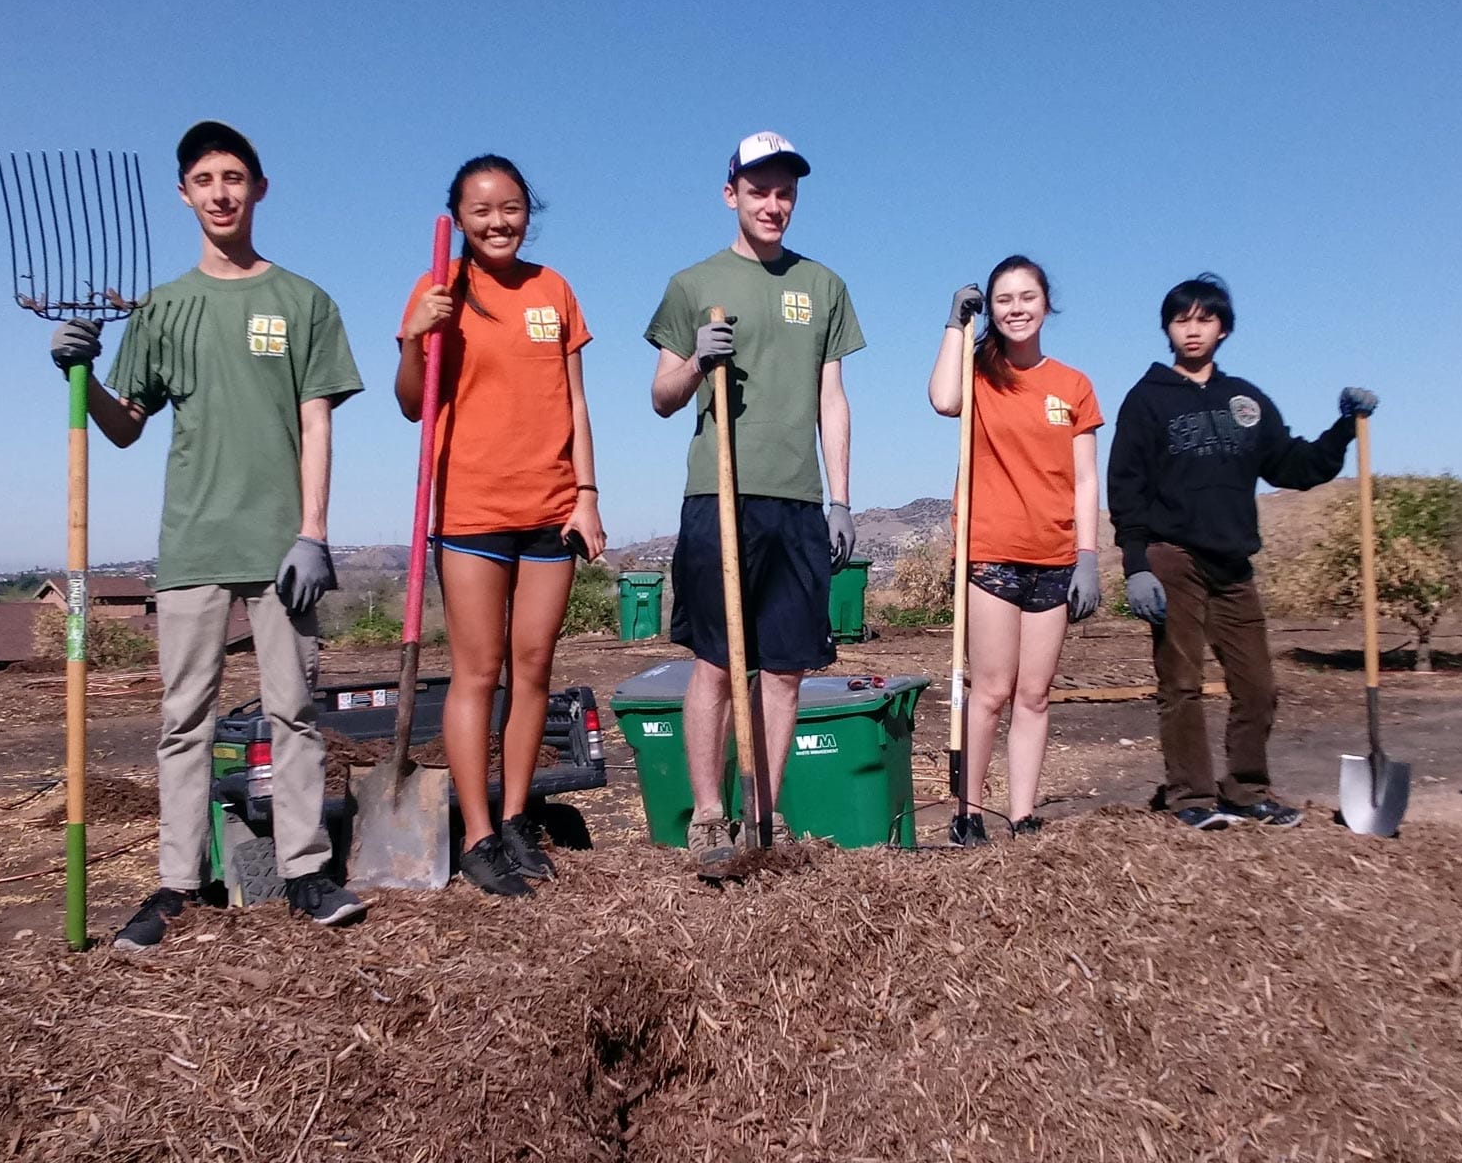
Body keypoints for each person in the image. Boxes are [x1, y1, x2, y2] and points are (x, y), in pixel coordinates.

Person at [48, 120, 367, 947]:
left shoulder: (303, 302)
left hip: (279, 546)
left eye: (234, 177)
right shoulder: (161, 309)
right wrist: (79, 375)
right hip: (192, 541)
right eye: (204, 179)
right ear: (185, 195)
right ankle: (175, 887)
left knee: (294, 712)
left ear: (260, 188)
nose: (221, 192)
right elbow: (126, 427)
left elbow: (318, 422)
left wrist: (314, 533)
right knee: (183, 718)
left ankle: (304, 872)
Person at [646, 131, 865, 866]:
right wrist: (696, 361)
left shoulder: (824, 286)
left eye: (785, 192)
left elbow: (832, 399)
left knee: (784, 670)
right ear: (730, 193)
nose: (774, 204)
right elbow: (661, 396)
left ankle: (761, 822)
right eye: (759, 190)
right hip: (720, 494)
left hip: (798, 500)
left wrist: (842, 498)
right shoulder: (693, 284)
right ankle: (710, 816)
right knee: (714, 662)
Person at [394, 155, 605, 898]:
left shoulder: (554, 290)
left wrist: (587, 493)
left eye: (510, 206)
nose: (498, 221)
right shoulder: (439, 289)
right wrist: (413, 339)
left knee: (534, 670)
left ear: (527, 211)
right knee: (478, 673)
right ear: (458, 215)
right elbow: (412, 406)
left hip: (550, 507)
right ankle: (477, 834)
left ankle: (518, 820)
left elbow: (575, 401)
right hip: (472, 510)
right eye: (481, 209)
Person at [1107, 273, 1378, 829]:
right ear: (1167, 328)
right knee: (1180, 683)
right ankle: (1191, 797)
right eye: (1182, 319)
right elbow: (1125, 488)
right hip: (1171, 555)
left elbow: (1294, 466)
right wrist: (1136, 565)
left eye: (1205, 319)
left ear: (1224, 328)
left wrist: (1345, 427)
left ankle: (1247, 788)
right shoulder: (1146, 400)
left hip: (1233, 564)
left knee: (1258, 686)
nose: (1193, 329)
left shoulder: (1246, 400)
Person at [927, 257, 1102, 846]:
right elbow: (943, 400)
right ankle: (969, 811)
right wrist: (955, 325)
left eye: (1027, 296)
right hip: (991, 553)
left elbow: (1084, 480)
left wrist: (1088, 553)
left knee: (1035, 694)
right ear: (991, 310)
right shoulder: (979, 370)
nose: (1016, 308)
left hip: (1053, 556)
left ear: (1047, 304)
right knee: (993, 690)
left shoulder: (1073, 385)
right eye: (1004, 299)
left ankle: (1023, 813)